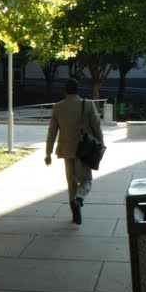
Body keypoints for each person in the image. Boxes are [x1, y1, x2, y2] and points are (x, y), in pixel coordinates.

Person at [44, 78, 103, 225]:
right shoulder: (88, 105)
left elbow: (52, 132)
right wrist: (100, 145)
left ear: (65, 90)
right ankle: (79, 199)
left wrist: (48, 153)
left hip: (66, 151)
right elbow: (97, 127)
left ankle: (75, 214)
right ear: (78, 90)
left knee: (71, 182)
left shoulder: (58, 107)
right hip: (84, 150)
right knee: (86, 180)